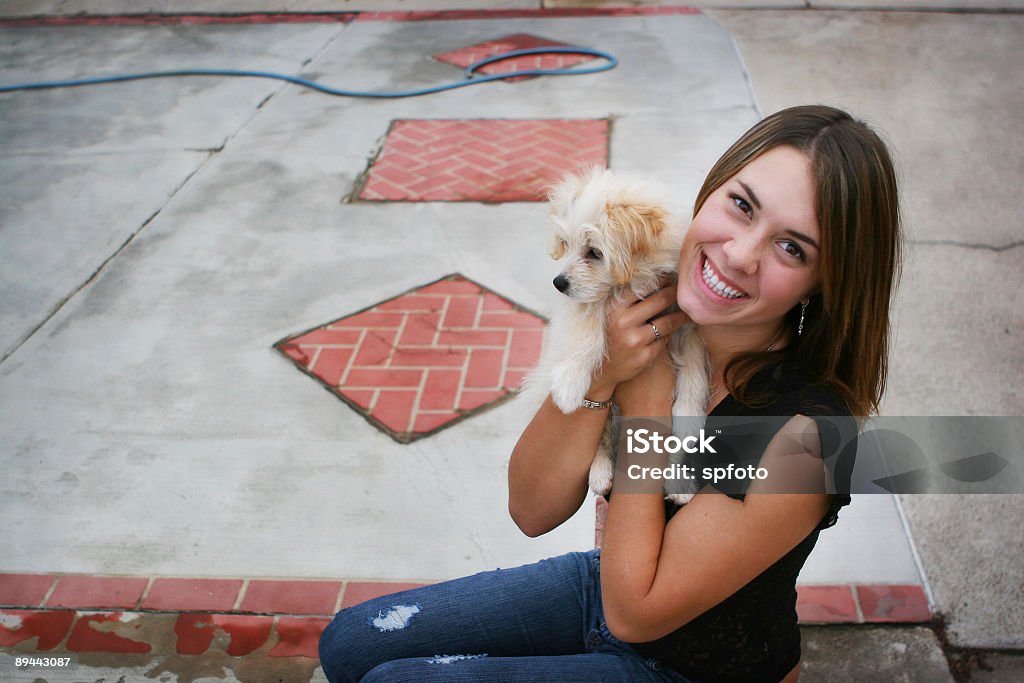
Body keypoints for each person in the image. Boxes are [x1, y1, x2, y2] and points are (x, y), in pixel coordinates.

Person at [318, 105, 902, 682]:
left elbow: (634, 614)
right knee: (347, 645)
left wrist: (648, 400)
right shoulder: (641, 308)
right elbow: (531, 509)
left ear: (824, 284)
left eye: (791, 247)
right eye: (741, 205)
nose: (738, 254)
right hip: (606, 585)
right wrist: (602, 375)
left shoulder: (808, 434)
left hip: (692, 665)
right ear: (711, 188)